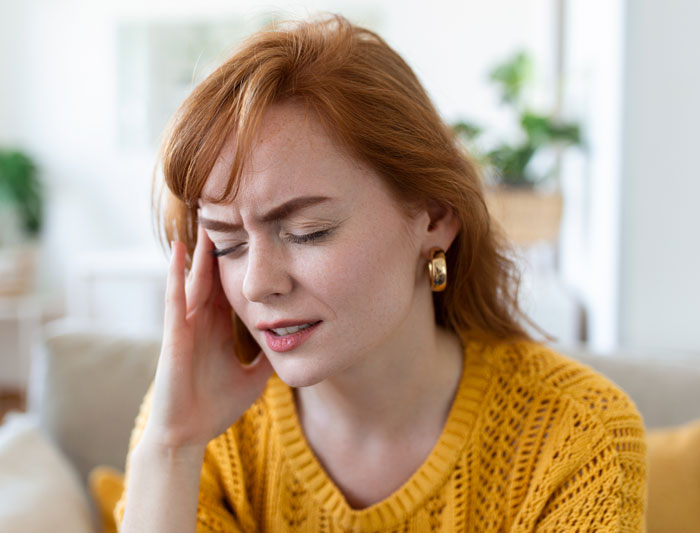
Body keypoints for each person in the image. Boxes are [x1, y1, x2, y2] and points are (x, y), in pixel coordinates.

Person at [115, 14, 646, 532]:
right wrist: (171, 448)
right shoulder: (197, 428)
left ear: (435, 217)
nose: (256, 283)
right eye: (229, 242)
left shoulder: (578, 436)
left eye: (308, 230)